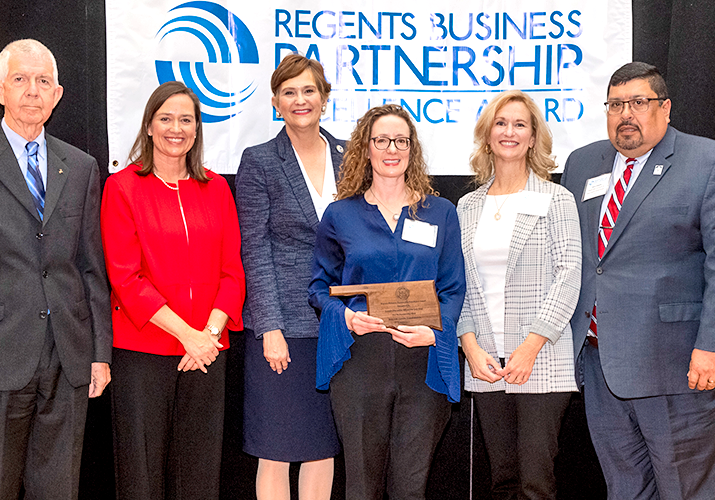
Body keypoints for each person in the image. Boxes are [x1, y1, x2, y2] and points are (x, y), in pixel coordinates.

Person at [560, 62, 715, 499]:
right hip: (600, 363)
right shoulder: (582, 163)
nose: (625, 114)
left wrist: (714, 346)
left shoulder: (709, 161)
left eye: (638, 103)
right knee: (626, 488)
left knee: (688, 489)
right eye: (615, 104)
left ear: (665, 108)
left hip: (680, 367)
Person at [0, 39, 112, 499]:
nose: (33, 90)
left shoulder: (83, 167)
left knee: (59, 489)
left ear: (58, 94)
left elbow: (91, 267)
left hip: (67, 358)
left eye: (43, 81)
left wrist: (100, 352)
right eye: (20, 79)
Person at [309, 104, 466, 500]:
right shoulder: (340, 215)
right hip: (361, 359)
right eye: (381, 140)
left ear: (412, 149)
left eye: (401, 140)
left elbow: (452, 287)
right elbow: (318, 288)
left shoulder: (440, 212)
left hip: (422, 361)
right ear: (366, 148)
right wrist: (344, 318)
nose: (391, 148)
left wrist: (434, 334)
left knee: (411, 488)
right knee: (361, 487)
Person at [100, 81, 245, 500]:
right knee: (140, 476)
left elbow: (232, 273)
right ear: (148, 126)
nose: (175, 128)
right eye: (165, 118)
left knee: (199, 474)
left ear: (197, 129)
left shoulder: (216, 188)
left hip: (206, 353)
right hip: (144, 351)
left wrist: (208, 337)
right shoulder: (122, 187)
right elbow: (126, 277)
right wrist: (188, 335)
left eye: (186, 119)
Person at [457, 91, 581, 500]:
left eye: (519, 125)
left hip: (541, 359)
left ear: (532, 138)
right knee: (503, 481)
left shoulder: (556, 198)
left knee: (535, 483)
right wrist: (470, 347)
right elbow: (457, 285)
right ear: (487, 135)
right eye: (501, 123)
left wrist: (530, 346)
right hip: (487, 362)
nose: (509, 132)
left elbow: (569, 276)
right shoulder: (467, 206)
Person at [236, 54, 341, 500]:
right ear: (276, 102)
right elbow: (255, 248)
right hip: (284, 327)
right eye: (290, 92)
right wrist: (270, 327)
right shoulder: (260, 160)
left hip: (342, 323)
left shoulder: (352, 153)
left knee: (323, 446)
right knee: (275, 449)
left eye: (309, 90)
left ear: (324, 97)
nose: (301, 100)